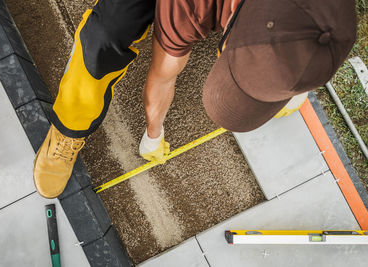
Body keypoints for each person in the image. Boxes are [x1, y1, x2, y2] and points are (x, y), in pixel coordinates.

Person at [33, 0, 356, 198]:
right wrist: (153, 133)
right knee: (104, 37)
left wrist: (291, 81)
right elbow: (163, 75)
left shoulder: (332, 12)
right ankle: (69, 129)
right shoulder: (189, 8)